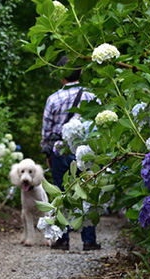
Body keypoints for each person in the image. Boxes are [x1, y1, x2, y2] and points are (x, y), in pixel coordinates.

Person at [40, 56, 101, 251]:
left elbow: (47, 133)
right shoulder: (92, 97)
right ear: (81, 72)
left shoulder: (53, 99)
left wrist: (48, 155)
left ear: (60, 75)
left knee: (61, 194)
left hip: (60, 152)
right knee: (86, 194)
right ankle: (89, 241)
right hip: (85, 152)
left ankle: (62, 239)